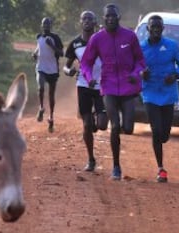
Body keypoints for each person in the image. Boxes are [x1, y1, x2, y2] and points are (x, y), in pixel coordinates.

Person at [81, 3, 146, 180]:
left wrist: (134, 73)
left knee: (128, 128)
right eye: (107, 16)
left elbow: (141, 60)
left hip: (128, 87)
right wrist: (89, 77)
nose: (110, 18)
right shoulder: (97, 38)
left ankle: (119, 134)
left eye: (113, 16)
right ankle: (116, 167)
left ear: (119, 17)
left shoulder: (130, 36)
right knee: (115, 126)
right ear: (103, 19)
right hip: (108, 86)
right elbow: (86, 62)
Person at [139, 15, 179, 182]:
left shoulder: (172, 46)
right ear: (148, 29)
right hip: (150, 93)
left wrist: (175, 75)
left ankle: (162, 137)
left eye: (159, 26)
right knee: (156, 130)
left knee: (164, 134)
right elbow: (134, 66)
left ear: (163, 28)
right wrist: (141, 73)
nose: (156, 29)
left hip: (167, 94)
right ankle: (160, 168)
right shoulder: (141, 48)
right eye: (153, 27)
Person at [64, 10, 108, 172]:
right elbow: (66, 65)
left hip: (102, 86)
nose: (87, 21)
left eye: (90, 19)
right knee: (87, 125)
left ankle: (98, 117)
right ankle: (91, 159)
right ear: (80, 22)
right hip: (83, 85)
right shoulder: (75, 44)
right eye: (84, 19)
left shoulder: (102, 41)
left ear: (95, 22)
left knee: (102, 125)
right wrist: (68, 71)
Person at [32, 17, 64, 132]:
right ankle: (41, 108)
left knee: (51, 95)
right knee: (40, 87)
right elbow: (38, 48)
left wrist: (52, 45)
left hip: (53, 70)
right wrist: (35, 54)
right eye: (44, 24)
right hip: (41, 67)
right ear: (41, 25)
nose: (46, 26)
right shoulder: (39, 37)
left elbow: (61, 53)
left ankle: (51, 118)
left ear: (51, 26)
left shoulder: (55, 38)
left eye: (48, 24)